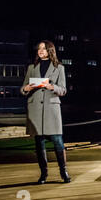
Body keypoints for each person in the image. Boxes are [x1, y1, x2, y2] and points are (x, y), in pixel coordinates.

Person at [21, 40, 71, 184]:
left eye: (43, 48)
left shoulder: (59, 67)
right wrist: (26, 89)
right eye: (39, 49)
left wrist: (52, 87)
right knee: (39, 143)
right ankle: (43, 174)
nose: (40, 51)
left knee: (58, 142)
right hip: (35, 109)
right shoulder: (32, 67)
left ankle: (64, 171)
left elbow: (63, 90)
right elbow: (22, 88)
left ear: (50, 50)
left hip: (51, 109)